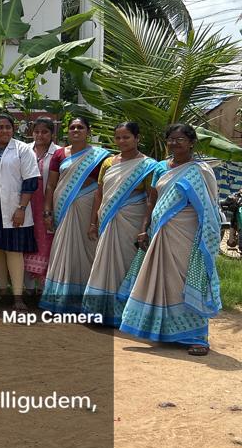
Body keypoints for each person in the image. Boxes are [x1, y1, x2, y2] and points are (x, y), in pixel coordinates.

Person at [119, 123, 222, 355]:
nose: (174, 144)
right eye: (171, 140)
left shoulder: (200, 171)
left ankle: (197, 337)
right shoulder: (160, 168)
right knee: (162, 280)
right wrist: (144, 228)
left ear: (191, 142)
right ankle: (164, 331)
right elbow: (151, 201)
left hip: (186, 235)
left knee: (185, 280)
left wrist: (206, 238)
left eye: (180, 139)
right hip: (159, 233)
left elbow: (208, 208)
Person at [81, 122, 161, 326]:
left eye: (126, 137)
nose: (122, 141)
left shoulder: (149, 165)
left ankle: (125, 314)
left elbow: (150, 199)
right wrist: (93, 222)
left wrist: (145, 227)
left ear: (137, 138)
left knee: (126, 263)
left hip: (132, 220)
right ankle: (98, 311)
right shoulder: (108, 163)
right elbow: (99, 194)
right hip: (107, 219)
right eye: (118, 137)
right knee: (103, 262)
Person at [39, 116, 110, 314]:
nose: (76, 130)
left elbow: (103, 187)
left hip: (89, 210)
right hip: (63, 207)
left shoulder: (101, 156)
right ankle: (60, 300)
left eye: (80, 127)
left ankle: (86, 301)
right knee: (63, 249)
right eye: (72, 127)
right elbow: (51, 185)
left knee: (88, 250)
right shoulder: (60, 154)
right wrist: (47, 211)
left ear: (88, 131)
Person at [0, 113, 39, 307]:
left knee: (14, 250)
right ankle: (2, 291)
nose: (4, 131)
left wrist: (21, 208)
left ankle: (18, 297)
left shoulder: (22, 150)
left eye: (8, 127)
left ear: (13, 129)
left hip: (14, 208)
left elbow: (31, 181)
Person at [24, 117, 60, 293]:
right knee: (27, 242)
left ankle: (45, 288)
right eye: (37, 131)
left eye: (44, 131)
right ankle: (28, 288)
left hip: (49, 207)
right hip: (27, 206)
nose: (40, 135)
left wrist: (50, 210)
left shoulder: (60, 153)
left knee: (47, 243)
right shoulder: (24, 150)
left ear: (52, 134)